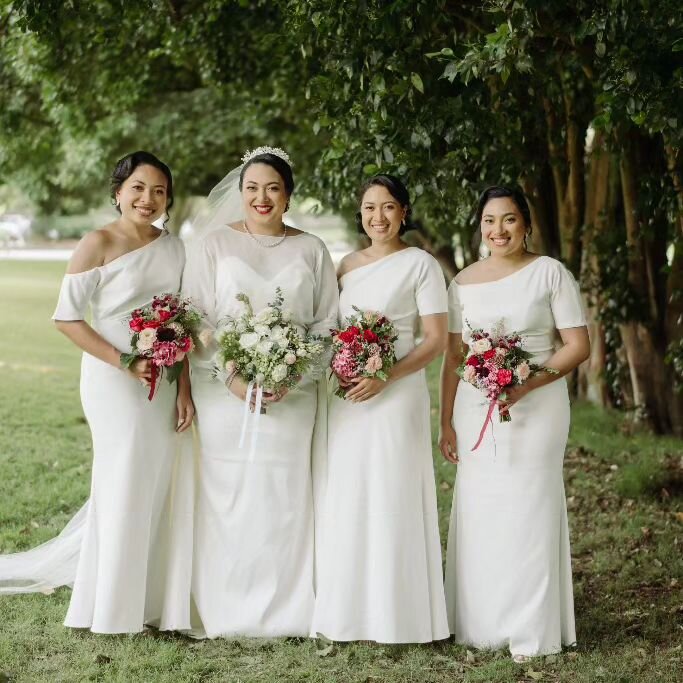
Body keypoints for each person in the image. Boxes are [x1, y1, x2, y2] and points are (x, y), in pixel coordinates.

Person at [0, 151, 193, 634]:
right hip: (114, 381)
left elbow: (182, 323)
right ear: (118, 192)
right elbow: (66, 318)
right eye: (139, 188)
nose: (148, 199)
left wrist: (184, 388)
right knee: (124, 479)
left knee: (156, 483)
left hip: (164, 382)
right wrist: (125, 361)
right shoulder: (98, 242)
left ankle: (149, 599)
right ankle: (110, 608)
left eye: (158, 191)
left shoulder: (175, 249)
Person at [181, 146, 338, 638]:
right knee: (228, 493)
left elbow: (327, 321)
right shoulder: (213, 245)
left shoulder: (312, 249)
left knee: (285, 494)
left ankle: (289, 610)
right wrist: (232, 375)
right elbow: (196, 315)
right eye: (252, 188)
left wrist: (292, 371)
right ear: (240, 193)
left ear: (288, 194)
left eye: (273, 188)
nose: (261, 197)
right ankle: (225, 607)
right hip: (221, 387)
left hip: (295, 392)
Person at [439, 185, 590, 660]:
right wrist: (445, 421)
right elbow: (454, 357)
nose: (498, 230)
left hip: (538, 405)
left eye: (508, 219)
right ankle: (481, 621)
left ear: (526, 223)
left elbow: (576, 345)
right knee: (483, 504)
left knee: (530, 502)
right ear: (480, 225)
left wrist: (527, 382)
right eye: (489, 220)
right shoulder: (461, 282)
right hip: (475, 405)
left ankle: (532, 626)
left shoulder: (550, 274)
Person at [311, 174, 450, 643]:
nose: (378, 217)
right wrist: (345, 364)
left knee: (393, 489)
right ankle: (350, 612)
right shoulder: (346, 265)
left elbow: (434, 341)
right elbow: (331, 329)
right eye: (370, 208)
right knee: (351, 490)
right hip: (350, 394)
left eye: (388, 207)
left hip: (398, 392)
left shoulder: (422, 265)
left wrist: (385, 375)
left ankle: (400, 614)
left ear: (404, 212)